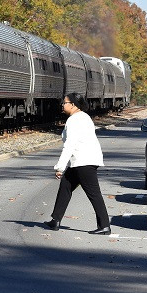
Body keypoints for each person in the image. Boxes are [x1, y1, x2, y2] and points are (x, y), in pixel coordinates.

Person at [45, 93, 111, 235]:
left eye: (65, 103)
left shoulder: (74, 120)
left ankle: (105, 226)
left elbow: (69, 145)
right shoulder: (84, 117)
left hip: (84, 161)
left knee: (94, 194)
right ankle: (55, 220)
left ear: (73, 104)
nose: (63, 105)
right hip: (83, 160)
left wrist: (60, 167)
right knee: (65, 186)